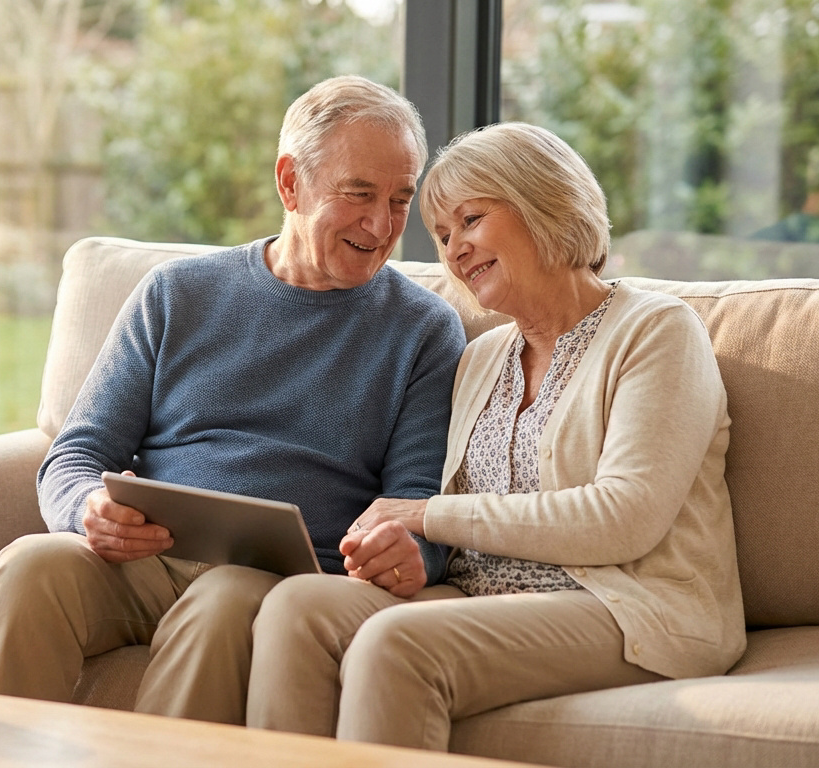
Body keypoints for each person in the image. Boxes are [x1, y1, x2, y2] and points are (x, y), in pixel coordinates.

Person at [0, 75, 467, 726]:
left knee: (225, 600)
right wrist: (85, 508)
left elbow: (418, 503)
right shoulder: (177, 293)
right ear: (290, 183)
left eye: (400, 199)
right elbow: (77, 451)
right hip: (146, 559)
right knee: (31, 564)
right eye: (358, 194)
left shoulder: (424, 329)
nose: (381, 224)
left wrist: (410, 554)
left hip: (283, 578)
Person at [247, 121, 747, 750]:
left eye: (472, 220)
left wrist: (429, 515)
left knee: (395, 643)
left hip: (630, 606)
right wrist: (405, 554)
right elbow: (451, 537)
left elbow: (626, 518)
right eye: (444, 234)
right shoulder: (481, 357)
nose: (455, 249)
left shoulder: (656, 332)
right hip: (478, 596)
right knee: (298, 608)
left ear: (545, 203)